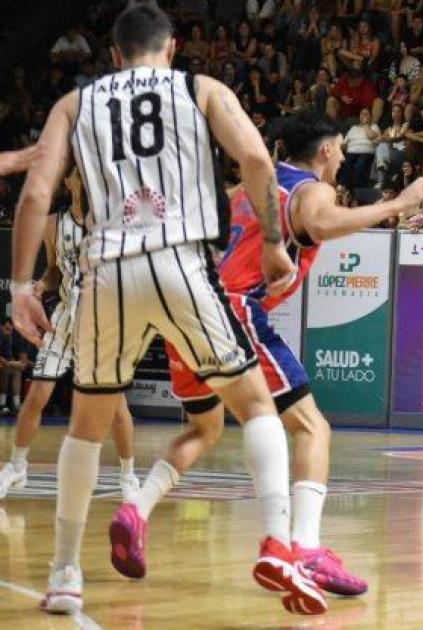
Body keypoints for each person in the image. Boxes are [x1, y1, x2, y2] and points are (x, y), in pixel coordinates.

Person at [10, 4, 322, 615]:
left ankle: (65, 572)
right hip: (181, 262)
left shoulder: (75, 104)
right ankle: (279, 544)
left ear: (115, 54)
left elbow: (36, 191)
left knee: (86, 426)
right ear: (173, 48)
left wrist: (21, 285)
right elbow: (257, 160)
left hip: (107, 270)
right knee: (256, 405)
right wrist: (272, 242)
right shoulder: (200, 88)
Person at [129, 112, 423, 597]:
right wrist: (398, 203)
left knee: (204, 428)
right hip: (236, 312)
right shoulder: (311, 190)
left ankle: (135, 509)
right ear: (325, 149)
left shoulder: (249, 186)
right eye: (339, 148)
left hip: (189, 310)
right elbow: (321, 222)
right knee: (312, 427)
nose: (341, 157)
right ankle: (306, 549)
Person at [0, 171, 140, 501]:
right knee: (37, 395)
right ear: (69, 182)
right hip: (63, 319)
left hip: (102, 322)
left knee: (117, 407)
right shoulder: (53, 223)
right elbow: (54, 270)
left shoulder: (113, 223)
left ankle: (128, 476)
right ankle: (16, 467)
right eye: (81, 174)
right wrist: (41, 285)